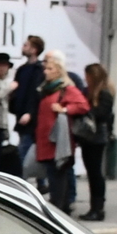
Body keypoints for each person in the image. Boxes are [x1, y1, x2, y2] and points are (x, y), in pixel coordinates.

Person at [31, 50, 93, 214]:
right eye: (46, 69)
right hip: (45, 138)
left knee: (58, 174)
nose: (46, 71)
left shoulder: (67, 89)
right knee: (52, 174)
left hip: (59, 140)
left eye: (50, 69)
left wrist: (65, 109)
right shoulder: (46, 89)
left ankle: (59, 208)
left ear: (58, 71)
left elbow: (83, 105)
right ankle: (60, 206)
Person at [76, 61, 115, 221]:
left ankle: (98, 208)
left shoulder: (104, 93)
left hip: (97, 137)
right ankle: (95, 207)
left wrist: (88, 110)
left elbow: (103, 114)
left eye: (87, 76)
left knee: (95, 173)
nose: (85, 79)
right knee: (92, 173)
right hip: (89, 138)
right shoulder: (90, 91)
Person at [8, 35, 46, 164]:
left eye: (26, 45)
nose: (23, 47)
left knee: (25, 151)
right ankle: (40, 181)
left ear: (34, 49)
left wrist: (30, 113)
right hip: (21, 115)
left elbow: (36, 95)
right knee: (26, 148)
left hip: (32, 118)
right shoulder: (22, 70)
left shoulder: (39, 70)